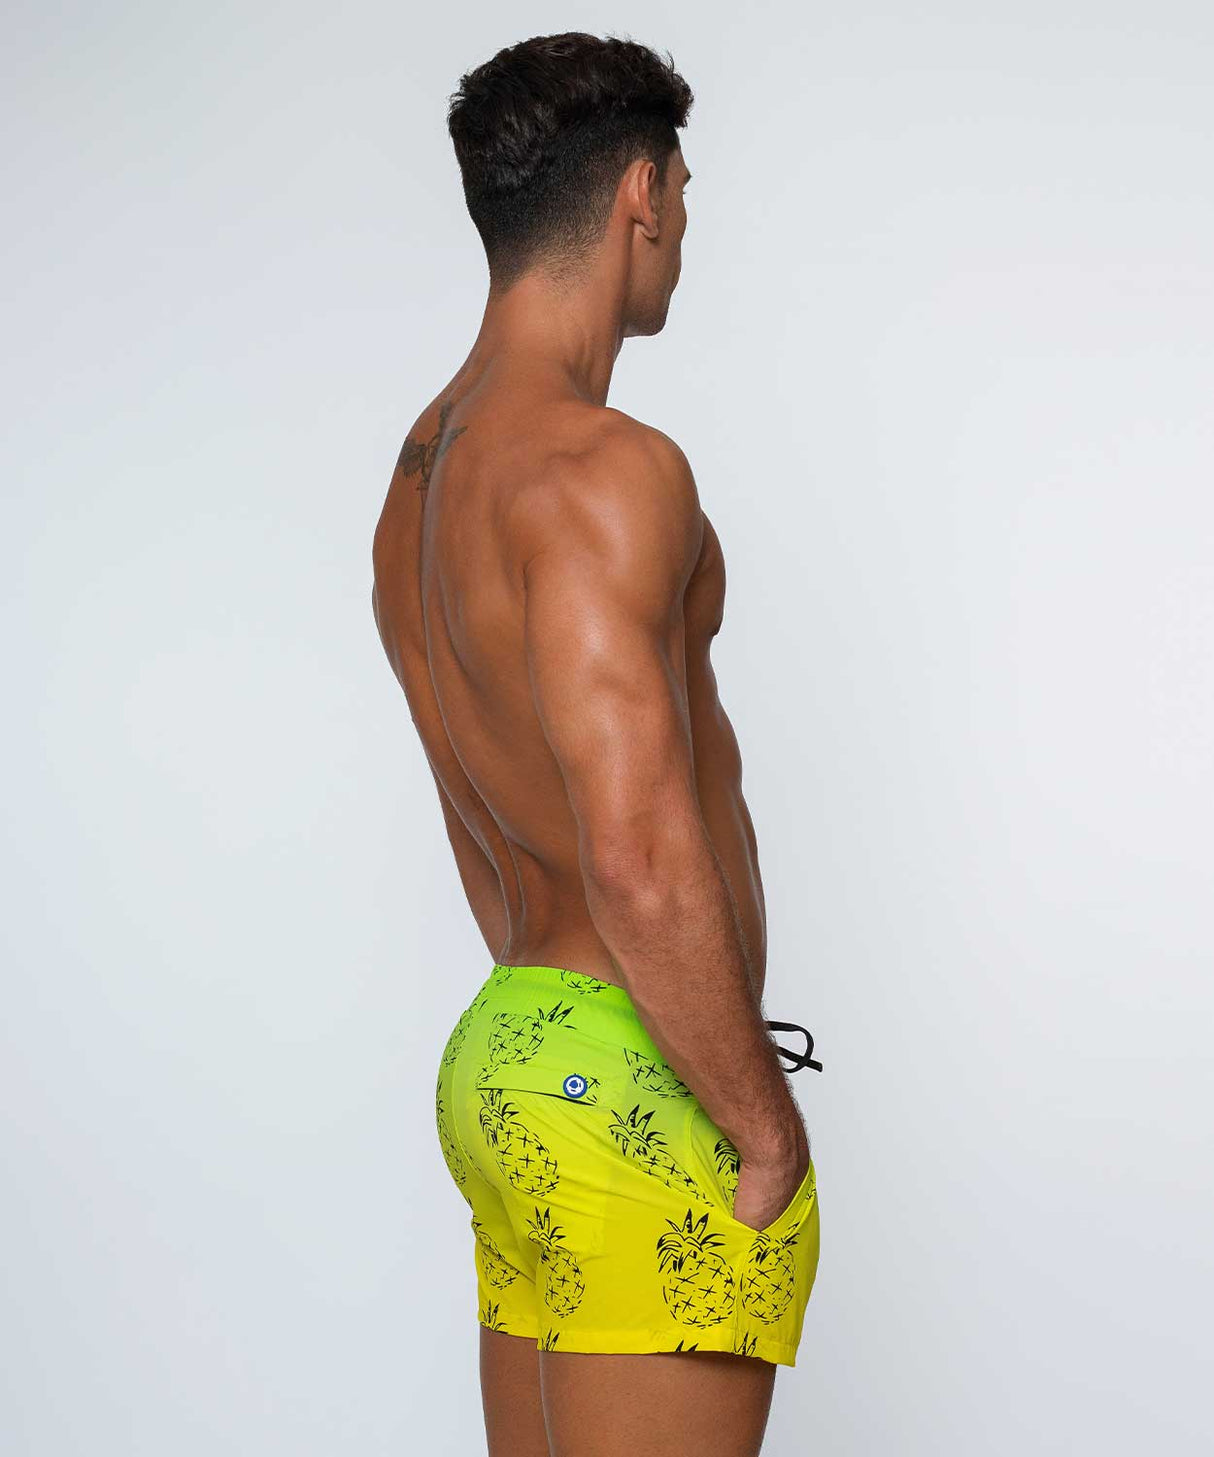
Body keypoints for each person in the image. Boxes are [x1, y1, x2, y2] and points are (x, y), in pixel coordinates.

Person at [371, 31, 821, 1457]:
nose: (681, 229)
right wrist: (761, 1123)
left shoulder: (421, 482)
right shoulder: (601, 469)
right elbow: (633, 850)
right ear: (640, 192)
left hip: (510, 1052)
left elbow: (479, 813)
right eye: (682, 195)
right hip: (633, 1075)